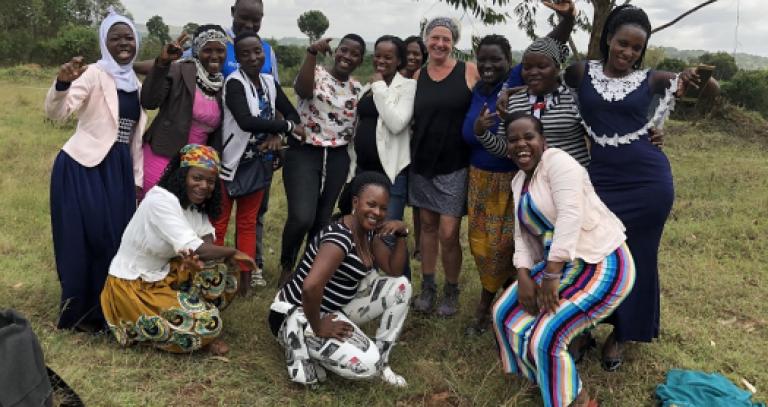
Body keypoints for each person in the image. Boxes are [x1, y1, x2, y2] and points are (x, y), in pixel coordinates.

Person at [562, 4, 714, 371]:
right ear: (608, 39)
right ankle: (584, 327)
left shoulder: (650, 80)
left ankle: (623, 334)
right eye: (622, 44)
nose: (628, 53)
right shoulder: (581, 72)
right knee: (591, 254)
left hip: (648, 183)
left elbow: (703, 89)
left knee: (639, 258)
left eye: (636, 48)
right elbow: (543, 78)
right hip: (599, 181)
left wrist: (699, 77)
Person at [492, 113, 636, 407]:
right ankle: (545, 380)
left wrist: (550, 276)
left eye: (528, 137)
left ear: (543, 141)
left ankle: (579, 401)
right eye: (513, 139)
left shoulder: (557, 162)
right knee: (503, 313)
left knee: (547, 336)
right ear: (507, 147)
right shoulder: (519, 181)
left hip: (602, 261)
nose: (521, 144)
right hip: (563, 266)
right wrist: (522, 276)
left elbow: (571, 215)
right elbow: (523, 237)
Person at [464, 0, 577, 334]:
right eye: (528, 67)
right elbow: (510, 148)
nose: (533, 72)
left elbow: (598, 132)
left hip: (565, 188)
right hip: (525, 188)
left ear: (557, 67)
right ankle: (512, 309)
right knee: (520, 248)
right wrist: (483, 133)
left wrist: (647, 135)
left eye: (542, 66)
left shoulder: (574, 98)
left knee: (560, 254)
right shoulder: (514, 99)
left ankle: (563, 323)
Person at [100, 144, 257, 354]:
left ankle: (192, 311)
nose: (203, 186)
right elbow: (199, 249)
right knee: (209, 323)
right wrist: (234, 252)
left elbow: (207, 246)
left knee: (224, 269)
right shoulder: (160, 200)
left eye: (210, 181)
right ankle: (143, 330)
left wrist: (213, 260)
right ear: (182, 176)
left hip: (162, 274)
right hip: (132, 286)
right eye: (197, 178)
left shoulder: (193, 206)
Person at [45, 9, 145, 332]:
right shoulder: (93, 74)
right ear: (105, 42)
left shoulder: (137, 85)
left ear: (137, 41)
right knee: (79, 238)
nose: (123, 43)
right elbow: (58, 114)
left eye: (128, 37)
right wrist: (62, 83)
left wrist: (137, 180)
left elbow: (134, 138)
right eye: (115, 38)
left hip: (118, 171)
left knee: (113, 240)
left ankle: (106, 311)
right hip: (81, 167)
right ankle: (78, 313)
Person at [269, 172, 411, 386]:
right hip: (298, 312)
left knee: (401, 286)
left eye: (383, 208)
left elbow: (394, 269)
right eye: (371, 205)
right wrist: (318, 326)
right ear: (356, 202)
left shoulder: (369, 231)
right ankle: (304, 340)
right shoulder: (339, 237)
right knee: (366, 365)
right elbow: (310, 286)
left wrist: (401, 234)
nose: (377, 212)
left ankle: (383, 362)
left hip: (335, 307)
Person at [213, 31, 303, 292]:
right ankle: (211, 279)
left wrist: (277, 133)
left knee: (247, 223)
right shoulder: (233, 83)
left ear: (264, 53)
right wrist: (286, 126)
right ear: (237, 58)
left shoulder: (269, 82)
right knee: (219, 223)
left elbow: (293, 112)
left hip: (258, 163)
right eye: (245, 53)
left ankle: (244, 283)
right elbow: (246, 121)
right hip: (231, 163)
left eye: (257, 52)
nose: (253, 57)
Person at [278, 35, 365, 285]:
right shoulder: (314, 72)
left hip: (338, 157)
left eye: (355, 54)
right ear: (336, 51)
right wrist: (311, 52)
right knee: (302, 216)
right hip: (305, 152)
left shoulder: (357, 89)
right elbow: (303, 91)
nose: (347, 57)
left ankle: (306, 270)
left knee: (322, 218)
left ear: (360, 60)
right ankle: (287, 264)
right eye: (344, 50)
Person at [410, 17, 480, 317]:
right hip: (422, 162)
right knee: (426, 226)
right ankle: (428, 287)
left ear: (454, 42)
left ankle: (452, 290)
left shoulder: (468, 71)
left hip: (455, 163)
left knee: (449, 232)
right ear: (426, 40)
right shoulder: (417, 75)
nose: (440, 43)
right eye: (435, 38)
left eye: (446, 39)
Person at [348, 35, 416, 278]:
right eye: (377, 55)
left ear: (399, 61)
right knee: (363, 232)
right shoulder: (368, 88)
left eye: (388, 57)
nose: (380, 60)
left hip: (390, 173)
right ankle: (370, 281)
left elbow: (396, 123)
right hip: (363, 172)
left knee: (389, 232)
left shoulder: (407, 87)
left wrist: (379, 87)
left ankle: (401, 283)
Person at [140, 25, 227, 193]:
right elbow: (149, 102)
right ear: (196, 51)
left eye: (220, 50)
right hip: (163, 155)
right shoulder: (179, 70)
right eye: (208, 50)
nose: (215, 56)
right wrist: (163, 63)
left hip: (194, 164)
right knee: (154, 207)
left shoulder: (222, 84)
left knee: (180, 214)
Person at [400, 35, 428, 261]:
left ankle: (420, 246)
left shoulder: (426, 80)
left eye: (416, 53)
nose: (412, 57)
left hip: (419, 147)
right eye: (408, 53)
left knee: (419, 201)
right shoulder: (394, 79)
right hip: (397, 147)